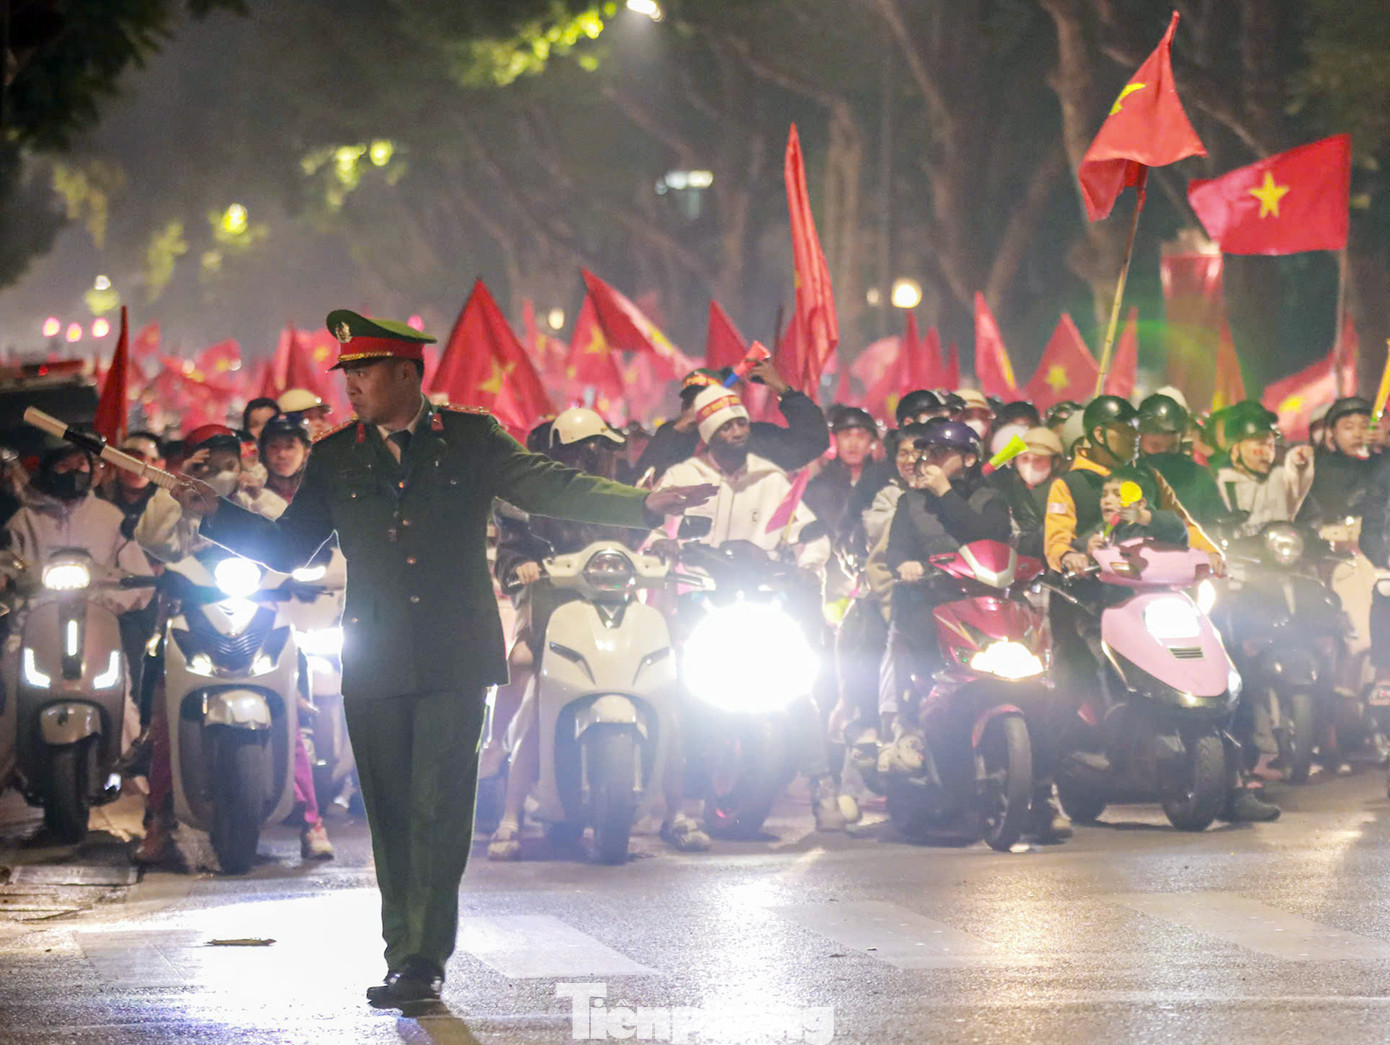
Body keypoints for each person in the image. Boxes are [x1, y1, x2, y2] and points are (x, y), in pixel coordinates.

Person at [170, 310, 715, 1009]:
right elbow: (287, 548)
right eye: (348, 375)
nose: (352, 386)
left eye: (363, 372)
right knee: (392, 810)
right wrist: (213, 513)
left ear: (405, 372)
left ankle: (424, 957)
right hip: (375, 655)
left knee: (439, 805)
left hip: (456, 654)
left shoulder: (469, 438)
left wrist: (643, 503)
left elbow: (548, 484)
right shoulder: (337, 456)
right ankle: (403, 954)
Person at [488, 408, 707, 858]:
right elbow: (509, 552)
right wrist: (520, 566)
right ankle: (509, 812)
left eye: (605, 449)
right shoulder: (531, 496)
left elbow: (640, 516)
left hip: (619, 609)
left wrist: (662, 547)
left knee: (667, 695)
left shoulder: (615, 492)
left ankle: (677, 812)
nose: (599, 457)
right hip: (553, 606)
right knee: (528, 674)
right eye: (590, 449)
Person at [129, 424, 337, 863]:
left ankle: (310, 820)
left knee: (291, 710)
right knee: (168, 718)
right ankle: (159, 822)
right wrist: (180, 484)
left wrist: (254, 491)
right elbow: (151, 539)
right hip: (193, 615)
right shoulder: (180, 496)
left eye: (228, 459)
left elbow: (298, 544)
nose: (220, 469)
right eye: (208, 459)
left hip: (259, 615)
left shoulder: (257, 495)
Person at [653, 385, 849, 830]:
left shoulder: (771, 477)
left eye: (742, 422)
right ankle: (672, 793)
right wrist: (664, 549)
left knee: (797, 685)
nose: (739, 431)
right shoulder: (681, 476)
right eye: (727, 425)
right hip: (699, 602)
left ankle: (823, 786)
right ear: (708, 432)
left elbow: (812, 534)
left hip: (761, 603)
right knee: (673, 686)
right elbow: (651, 532)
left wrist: (807, 564)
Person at [4, 437, 155, 759]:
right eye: (64, 464)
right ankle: (12, 762)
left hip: (98, 625)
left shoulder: (110, 517)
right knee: (13, 693)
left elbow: (139, 578)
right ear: (48, 469)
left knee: (119, 689)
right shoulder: (23, 521)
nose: (74, 471)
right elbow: (8, 568)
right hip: (34, 627)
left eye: (81, 464)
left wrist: (111, 600)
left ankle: (122, 760)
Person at [1045, 396, 1220, 576]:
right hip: (1092, 587)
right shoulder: (1070, 484)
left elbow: (1182, 524)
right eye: (1126, 429)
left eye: (1136, 429)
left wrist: (1210, 552)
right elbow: (1057, 540)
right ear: (1099, 435)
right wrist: (1069, 556)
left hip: (1150, 581)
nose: (1136, 436)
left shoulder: (1149, 476)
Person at [634, 361, 829, 483]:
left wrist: (784, 390)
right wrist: (677, 430)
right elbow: (641, 484)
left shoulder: (751, 438)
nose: (702, 405)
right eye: (693, 399)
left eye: (710, 397)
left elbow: (812, 441)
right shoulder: (673, 438)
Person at [1211, 402, 1314, 535]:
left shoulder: (1279, 477)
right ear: (1236, 448)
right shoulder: (1218, 484)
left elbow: (1309, 514)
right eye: (1259, 444)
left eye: (1271, 445)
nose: (1268, 452)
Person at [1137, 393, 1227, 528]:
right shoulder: (1123, 476)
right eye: (1155, 446)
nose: (1163, 453)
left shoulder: (1198, 477)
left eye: (1171, 447)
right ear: (1139, 439)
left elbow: (1217, 524)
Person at [804, 406, 880, 544]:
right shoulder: (817, 489)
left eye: (861, 436)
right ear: (835, 441)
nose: (853, 443)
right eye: (846, 435)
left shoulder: (883, 487)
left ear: (872, 443)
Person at [989, 426, 1064, 561]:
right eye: (1024, 459)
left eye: (1038, 459)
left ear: (1055, 462)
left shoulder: (1066, 492)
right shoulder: (1006, 491)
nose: (1030, 465)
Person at [98, 431, 165, 537]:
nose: (131, 467)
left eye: (138, 460)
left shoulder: (168, 506)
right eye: (125, 459)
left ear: (158, 465)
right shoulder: (100, 498)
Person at [259, 414, 313, 503]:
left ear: (306, 454)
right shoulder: (254, 496)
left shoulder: (318, 492)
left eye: (289, 447)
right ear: (263, 452)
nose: (281, 454)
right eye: (274, 446)